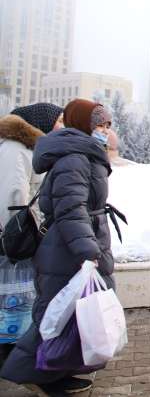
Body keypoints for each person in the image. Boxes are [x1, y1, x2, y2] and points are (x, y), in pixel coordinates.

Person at [1, 99, 115, 395]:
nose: (105, 130)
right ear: (83, 125)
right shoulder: (74, 159)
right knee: (55, 314)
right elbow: (70, 208)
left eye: (107, 125)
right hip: (66, 249)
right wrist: (87, 250)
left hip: (76, 242)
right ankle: (32, 372)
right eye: (99, 124)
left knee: (70, 314)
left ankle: (56, 372)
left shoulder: (84, 154)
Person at [0, 103, 62, 362]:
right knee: (10, 299)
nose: (61, 126)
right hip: (13, 240)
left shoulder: (28, 150)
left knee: (15, 300)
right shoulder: (15, 150)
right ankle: (9, 356)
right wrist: (20, 235)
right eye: (59, 121)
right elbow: (12, 198)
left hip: (20, 237)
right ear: (42, 123)